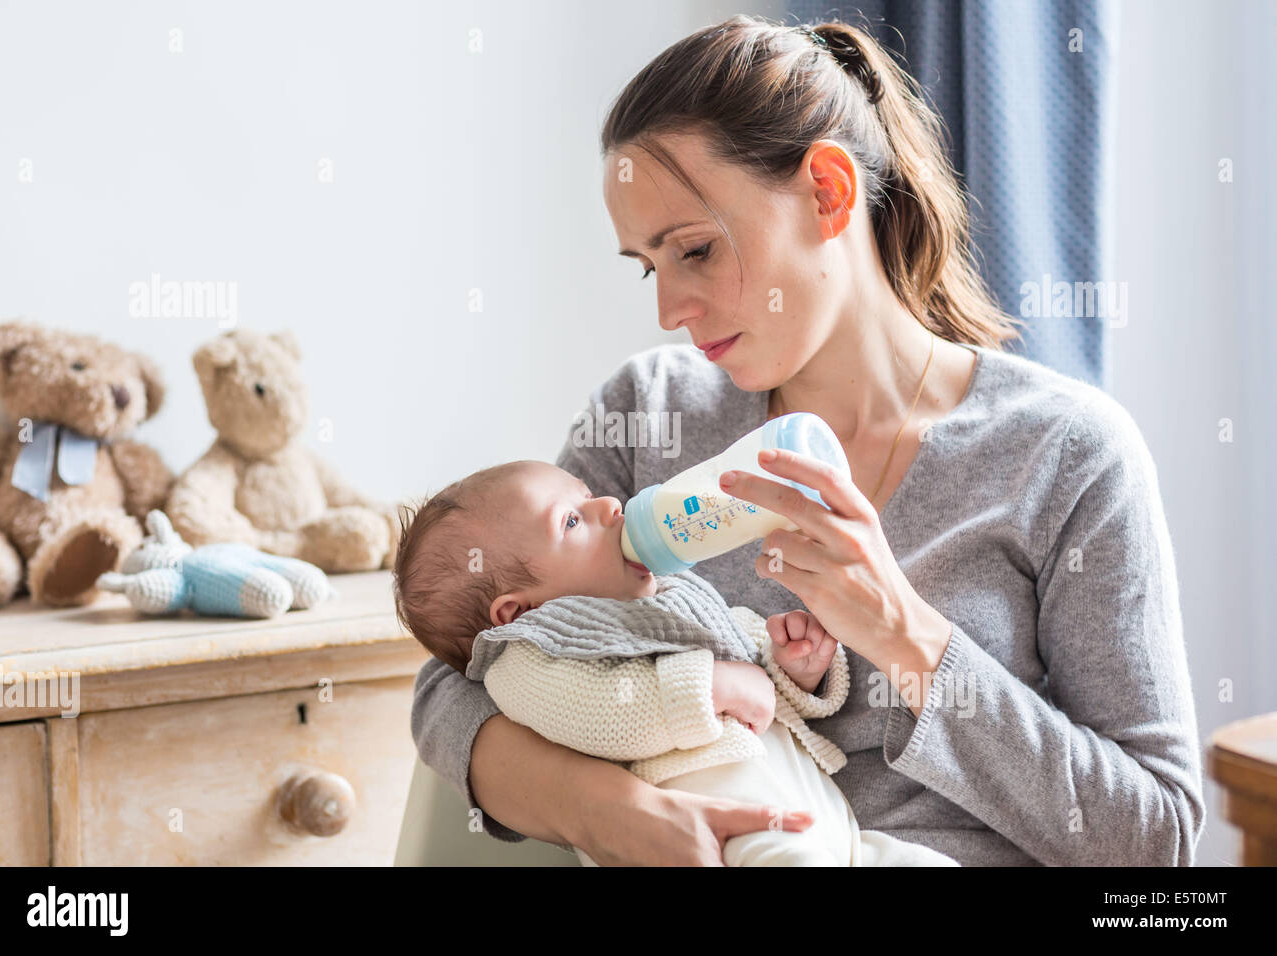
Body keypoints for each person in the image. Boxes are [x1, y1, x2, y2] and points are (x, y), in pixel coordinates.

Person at [411, 15, 1205, 866]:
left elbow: (1153, 839)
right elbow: (458, 680)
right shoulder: (650, 412)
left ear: (827, 192)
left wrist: (907, 636)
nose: (669, 310)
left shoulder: (1064, 453)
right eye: (650, 264)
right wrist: (608, 812)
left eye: (696, 250)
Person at [394, 458, 961, 866]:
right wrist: (708, 686)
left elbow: (743, 658)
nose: (609, 505)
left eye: (587, 493)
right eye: (570, 520)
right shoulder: (528, 655)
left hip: (828, 823)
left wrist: (793, 668)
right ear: (515, 611)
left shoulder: (665, 598)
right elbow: (598, 713)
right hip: (719, 831)